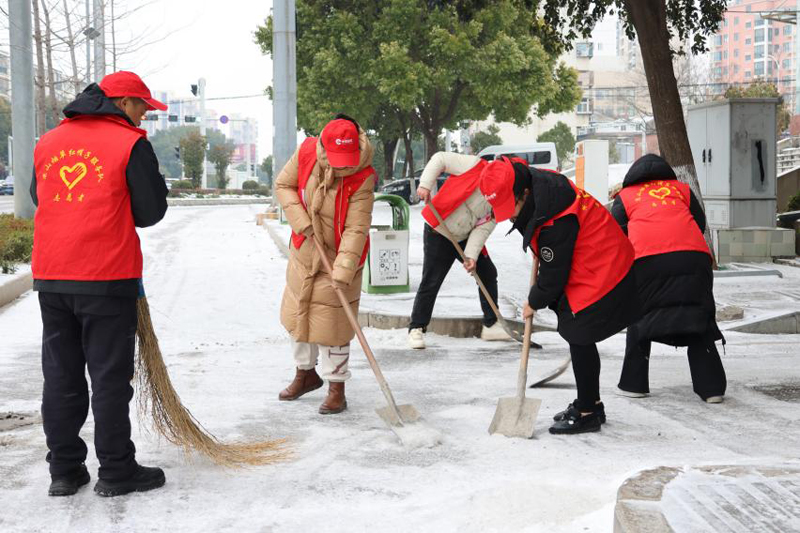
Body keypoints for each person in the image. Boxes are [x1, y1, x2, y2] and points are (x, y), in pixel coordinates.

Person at [30, 71, 168, 497]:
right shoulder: (130, 143)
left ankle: (65, 471)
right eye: (142, 105)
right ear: (122, 102)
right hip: (106, 276)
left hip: (52, 276)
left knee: (62, 375)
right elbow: (149, 212)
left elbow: (41, 196)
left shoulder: (48, 141)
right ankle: (116, 471)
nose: (145, 114)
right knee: (109, 378)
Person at [490, 158, 641, 434]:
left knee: (577, 331)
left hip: (604, 267)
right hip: (596, 258)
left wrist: (533, 301)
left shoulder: (555, 220)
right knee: (576, 330)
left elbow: (553, 279)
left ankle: (587, 413)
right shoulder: (541, 191)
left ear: (523, 194)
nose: (509, 217)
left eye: (510, 209)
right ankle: (591, 402)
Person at [275, 115, 375, 415]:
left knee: (334, 324)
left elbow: (357, 228)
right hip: (305, 249)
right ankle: (305, 374)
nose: (343, 165)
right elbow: (284, 184)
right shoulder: (306, 151)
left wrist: (343, 271)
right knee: (298, 315)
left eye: (349, 159)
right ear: (323, 148)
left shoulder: (364, 175)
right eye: (337, 159)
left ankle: (336, 387)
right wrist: (301, 221)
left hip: (341, 256)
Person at [611, 154, 727, 403]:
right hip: (694, 258)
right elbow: (700, 223)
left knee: (639, 316)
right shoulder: (681, 190)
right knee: (699, 315)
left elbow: (615, 235)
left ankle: (634, 384)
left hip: (646, 261)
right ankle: (712, 389)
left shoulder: (626, 196)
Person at [407, 152, 512, 350]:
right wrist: (425, 185)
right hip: (440, 229)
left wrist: (471, 256)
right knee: (432, 280)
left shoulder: (502, 198)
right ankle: (416, 327)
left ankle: (490, 324)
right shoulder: (474, 165)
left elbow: (483, 228)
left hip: (464, 237)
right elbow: (440, 159)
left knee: (487, 272)